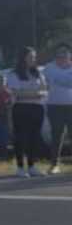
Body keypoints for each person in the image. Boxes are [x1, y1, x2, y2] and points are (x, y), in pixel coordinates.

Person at [8, 47, 48, 178]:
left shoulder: (38, 73)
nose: (33, 59)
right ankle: (20, 167)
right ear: (23, 58)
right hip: (21, 109)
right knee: (21, 138)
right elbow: (17, 93)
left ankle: (32, 166)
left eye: (34, 57)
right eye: (31, 57)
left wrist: (33, 93)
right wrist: (35, 93)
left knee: (34, 138)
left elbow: (44, 90)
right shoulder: (14, 74)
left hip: (37, 109)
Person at [43, 43, 72, 174]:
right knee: (57, 136)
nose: (62, 55)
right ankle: (54, 164)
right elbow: (54, 80)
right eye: (60, 53)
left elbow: (62, 81)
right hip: (55, 106)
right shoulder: (49, 67)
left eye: (65, 53)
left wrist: (62, 79)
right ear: (55, 55)